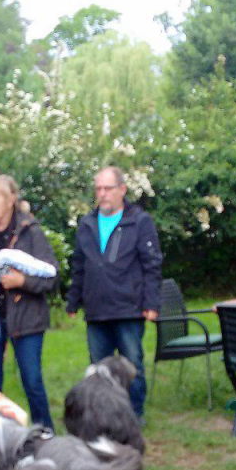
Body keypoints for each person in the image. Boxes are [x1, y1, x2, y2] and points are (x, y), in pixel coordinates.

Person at [65, 165, 162, 420]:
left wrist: (151, 303)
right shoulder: (87, 223)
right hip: (96, 309)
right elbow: (79, 265)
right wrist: (73, 301)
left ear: (122, 190)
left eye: (108, 188)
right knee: (99, 368)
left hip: (128, 307)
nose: (103, 193)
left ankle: (134, 415)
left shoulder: (139, 221)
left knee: (132, 366)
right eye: (98, 188)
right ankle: (105, 415)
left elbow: (152, 265)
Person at [0, 175, 58, 429]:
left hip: (25, 316)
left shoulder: (31, 231)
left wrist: (21, 282)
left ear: (10, 200)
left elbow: (51, 276)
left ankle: (44, 433)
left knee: (31, 379)